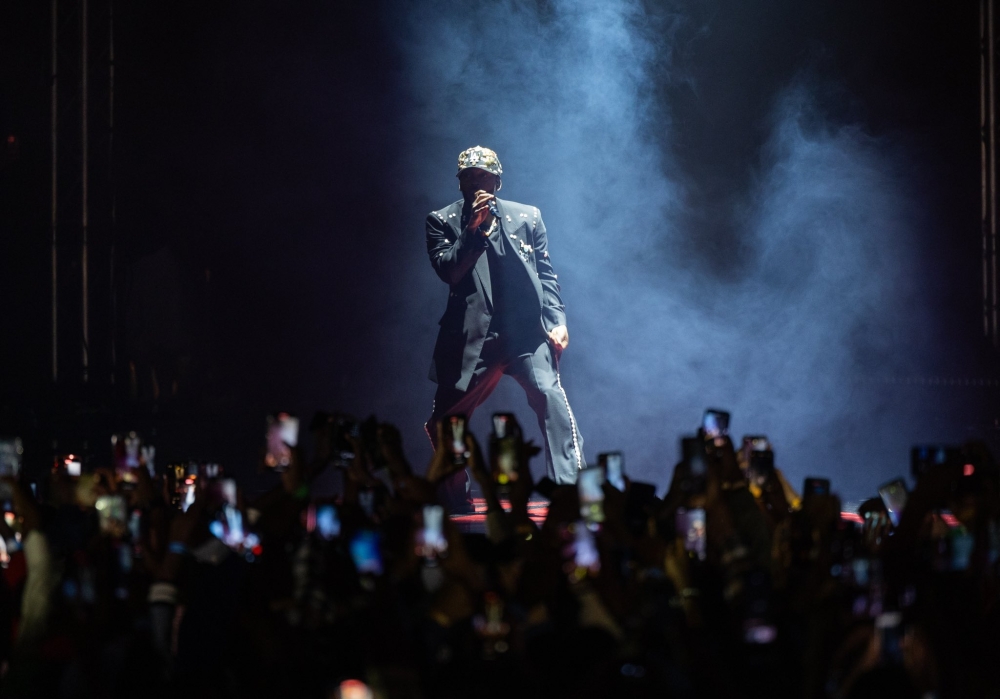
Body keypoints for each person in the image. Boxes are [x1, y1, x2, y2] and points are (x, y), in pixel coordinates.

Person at [423, 146, 584, 510]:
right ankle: (454, 496)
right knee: (446, 421)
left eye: (481, 176)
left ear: (497, 180)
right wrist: (473, 231)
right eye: (467, 176)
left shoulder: (527, 216)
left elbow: (546, 275)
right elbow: (449, 270)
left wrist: (557, 321)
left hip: (525, 335)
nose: (473, 182)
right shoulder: (442, 220)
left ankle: (569, 492)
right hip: (473, 340)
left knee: (550, 396)